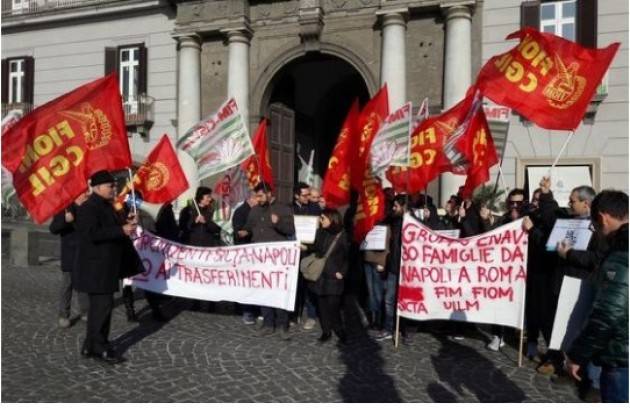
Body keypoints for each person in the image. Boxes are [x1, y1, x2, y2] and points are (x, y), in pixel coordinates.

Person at [73, 170, 144, 364]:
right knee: (102, 308)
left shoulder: (107, 206)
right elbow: (92, 234)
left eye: (114, 185)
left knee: (100, 307)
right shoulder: (89, 207)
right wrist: (120, 229)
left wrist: (127, 224)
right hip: (96, 267)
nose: (114, 188)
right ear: (97, 187)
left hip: (107, 266)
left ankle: (89, 346)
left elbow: (112, 228)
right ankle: (100, 347)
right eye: (110, 186)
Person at [565, 190, 628, 403]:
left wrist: (577, 355)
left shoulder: (621, 255)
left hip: (621, 360)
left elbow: (608, 313)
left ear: (602, 218)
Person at [238, 182, 295, 340]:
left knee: (279, 291)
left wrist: (279, 223)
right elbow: (249, 226)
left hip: (277, 259)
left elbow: (291, 230)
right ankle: (268, 324)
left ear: (269, 193)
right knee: (264, 291)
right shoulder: (255, 210)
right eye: (256, 195)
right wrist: (244, 231)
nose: (258, 198)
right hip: (259, 258)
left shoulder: (283, 208)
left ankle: (282, 324)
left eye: (261, 195)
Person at [306, 208, 349, 344]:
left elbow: (349, 257)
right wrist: (304, 247)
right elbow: (315, 247)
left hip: (334, 277)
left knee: (333, 307)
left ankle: (340, 331)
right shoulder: (321, 232)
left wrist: (342, 272)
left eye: (323, 218)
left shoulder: (343, 235)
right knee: (322, 305)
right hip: (320, 275)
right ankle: (326, 332)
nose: (320, 220)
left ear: (331, 219)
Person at [49, 190, 90, 328]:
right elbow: (54, 228)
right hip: (70, 253)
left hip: (86, 252)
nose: (87, 193)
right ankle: (63, 315)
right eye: (84, 192)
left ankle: (85, 311)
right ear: (76, 193)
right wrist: (65, 221)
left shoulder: (89, 207)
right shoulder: (66, 207)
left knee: (84, 284)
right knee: (68, 285)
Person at [179, 186, 223, 311]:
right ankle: (196, 301)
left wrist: (207, 223)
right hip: (193, 249)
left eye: (210, 196)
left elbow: (218, 228)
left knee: (210, 276)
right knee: (195, 276)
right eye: (208, 196)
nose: (210, 199)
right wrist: (193, 222)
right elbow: (183, 227)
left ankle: (211, 303)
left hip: (209, 249)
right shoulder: (188, 211)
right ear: (201, 198)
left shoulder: (212, 211)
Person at [293, 182, 319, 330]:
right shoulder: (291, 208)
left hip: (310, 251)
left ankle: (311, 316)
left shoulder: (314, 208)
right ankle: (294, 314)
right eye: (305, 195)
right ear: (297, 195)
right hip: (295, 250)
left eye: (309, 194)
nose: (308, 197)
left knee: (310, 285)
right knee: (295, 285)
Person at [232, 191, 260, 325]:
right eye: (257, 198)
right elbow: (238, 232)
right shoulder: (241, 212)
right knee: (246, 283)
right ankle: (246, 311)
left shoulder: (257, 210)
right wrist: (248, 231)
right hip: (244, 252)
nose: (259, 200)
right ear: (250, 198)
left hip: (255, 252)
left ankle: (255, 309)